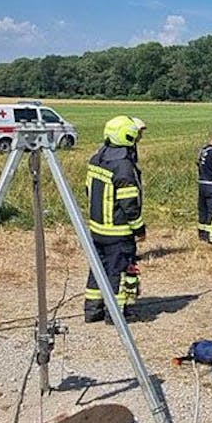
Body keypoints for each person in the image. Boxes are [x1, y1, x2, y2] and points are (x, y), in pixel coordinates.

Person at [84, 116, 146, 322]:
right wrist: (139, 228)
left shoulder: (97, 158)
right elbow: (130, 205)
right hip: (118, 232)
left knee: (98, 268)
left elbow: (88, 190)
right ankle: (115, 314)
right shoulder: (124, 167)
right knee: (119, 272)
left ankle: (93, 309)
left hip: (96, 228)